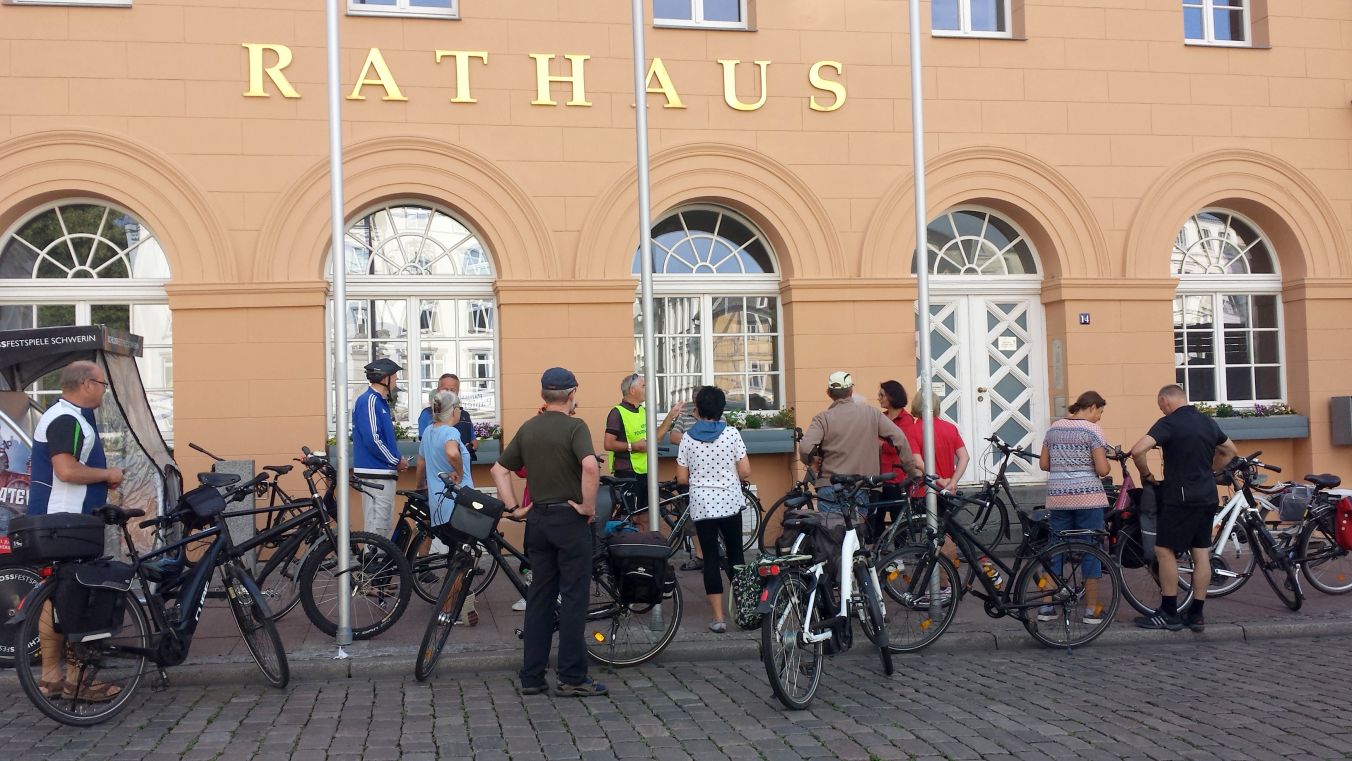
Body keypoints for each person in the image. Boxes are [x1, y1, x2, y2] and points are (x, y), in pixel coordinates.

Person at [491, 367, 607, 697]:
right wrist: (587, 506)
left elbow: (499, 469)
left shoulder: (529, 428)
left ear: (544, 395)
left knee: (539, 599)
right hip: (569, 521)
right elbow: (589, 465)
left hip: (538, 522)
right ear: (572, 394)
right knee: (573, 598)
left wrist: (514, 508)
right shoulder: (575, 427)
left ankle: (532, 676)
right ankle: (571, 676)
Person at [29, 361, 124, 702]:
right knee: (75, 597)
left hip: (64, 522)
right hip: (65, 523)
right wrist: (107, 474)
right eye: (101, 384)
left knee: (54, 597)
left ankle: (51, 678)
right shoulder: (66, 418)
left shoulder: (68, 416)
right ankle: (75, 681)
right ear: (86, 384)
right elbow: (66, 470)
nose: (103, 390)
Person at [1129, 384, 1238, 632]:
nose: (1162, 409)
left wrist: (1146, 474)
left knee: (1164, 550)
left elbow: (1138, 450)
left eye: (1160, 405)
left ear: (1166, 400)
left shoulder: (1169, 423)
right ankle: (1197, 614)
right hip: (1208, 495)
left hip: (1180, 498)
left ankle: (1169, 612)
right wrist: (1212, 469)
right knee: (1201, 554)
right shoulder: (1207, 422)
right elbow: (1230, 450)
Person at [675, 386, 750, 633]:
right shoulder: (731, 434)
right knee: (736, 556)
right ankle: (744, 610)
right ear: (721, 409)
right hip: (730, 502)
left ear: (698, 409)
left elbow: (681, 478)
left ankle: (718, 618)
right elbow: (745, 471)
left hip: (703, 506)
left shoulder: (688, 438)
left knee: (709, 559)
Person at [799, 371, 922, 515]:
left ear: (829, 393)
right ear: (851, 391)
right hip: (861, 487)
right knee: (857, 534)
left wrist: (812, 461)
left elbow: (805, 448)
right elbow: (900, 439)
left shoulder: (822, 419)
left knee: (831, 533)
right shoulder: (872, 414)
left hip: (830, 485)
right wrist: (911, 472)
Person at [1038, 390, 1111, 624]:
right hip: (1088, 498)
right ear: (1091, 407)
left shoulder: (1054, 428)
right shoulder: (1093, 430)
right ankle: (1091, 609)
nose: (1099, 417)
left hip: (1058, 497)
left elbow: (1043, 463)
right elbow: (1102, 469)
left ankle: (1046, 607)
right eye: (1099, 412)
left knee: (1056, 547)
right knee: (1090, 548)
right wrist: (1106, 464)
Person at [416, 389, 477, 626]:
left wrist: (421, 486)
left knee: (455, 557)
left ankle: (451, 604)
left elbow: (421, 462)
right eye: (459, 407)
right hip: (458, 505)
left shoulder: (430, 431)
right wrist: (460, 474)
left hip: (439, 506)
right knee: (461, 560)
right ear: (454, 410)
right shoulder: (450, 431)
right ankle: (449, 611)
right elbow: (452, 452)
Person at [603, 373, 684, 514]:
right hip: (628, 472)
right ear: (632, 390)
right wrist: (632, 446)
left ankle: (645, 537)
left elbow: (656, 438)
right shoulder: (617, 413)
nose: (648, 389)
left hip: (646, 470)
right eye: (644, 386)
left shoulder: (643, 411)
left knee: (645, 516)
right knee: (632, 517)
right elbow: (608, 444)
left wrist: (671, 416)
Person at [353, 357, 410, 537]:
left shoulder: (378, 401)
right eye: (394, 377)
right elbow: (373, 439)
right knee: (377, 527)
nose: (396, 381)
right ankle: (372, 563)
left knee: (382, 525)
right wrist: (395, 461)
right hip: (375, 473)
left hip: (381, 473)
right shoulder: (369, 400)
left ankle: (376, 562)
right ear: (384, 378)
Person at [872, 380, 915, 542]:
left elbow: (903, 446)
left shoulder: (906, 419)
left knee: (898, 517)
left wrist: (881, 443)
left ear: (891, 396)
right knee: (876, 518)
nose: (879, 398)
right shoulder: (880, 417)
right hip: (878, 475)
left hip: (897, 475)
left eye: (882, 395)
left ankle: (900, 554)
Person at [418, 373, 476, 464]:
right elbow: (425, 444)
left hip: (463, 470)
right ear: (438, 391)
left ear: (458, 392)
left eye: (453, 390)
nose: (449, 393)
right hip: (437, 469)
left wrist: (470, 447)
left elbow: (473, 440)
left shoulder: (464, 415)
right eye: (445, 389)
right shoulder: (427, 414)